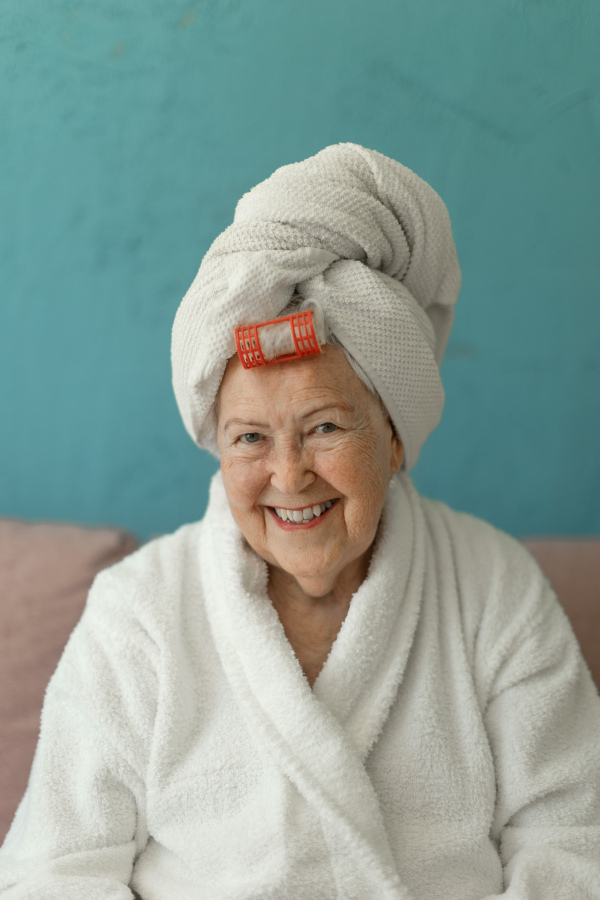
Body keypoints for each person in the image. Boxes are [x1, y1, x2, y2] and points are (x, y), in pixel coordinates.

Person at [1, 143, 599, 900]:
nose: (289, 477)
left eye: (324, 428)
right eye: (251, 438)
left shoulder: (494, 586)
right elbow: (52, 872)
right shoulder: (140, 612)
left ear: (392, 437)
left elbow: (575, 843)